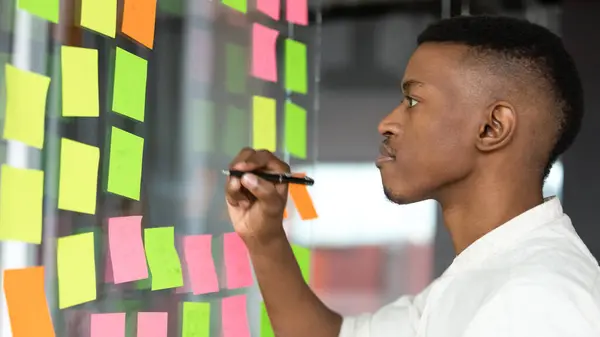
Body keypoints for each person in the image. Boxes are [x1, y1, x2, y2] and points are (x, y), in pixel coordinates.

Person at [224, 15, 600, 337]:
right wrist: (265, 237)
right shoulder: (483, 274)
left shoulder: (539, 300)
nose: (387, 122)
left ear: (491, 127)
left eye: (413, 101)